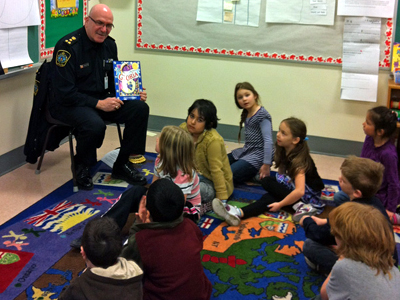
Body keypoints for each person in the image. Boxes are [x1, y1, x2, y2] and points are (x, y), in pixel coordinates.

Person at [50, 4, 149, 190]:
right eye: (100, 23)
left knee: (140, 108)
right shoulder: (67, 48)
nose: (104, 30)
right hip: (70, 104)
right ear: (87, 21)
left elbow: (114, 82)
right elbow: (65, 93)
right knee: (94, 125)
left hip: (100, 101)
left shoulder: (110, 45)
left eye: (109, 25)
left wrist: (132, 92)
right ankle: (82, 166)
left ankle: (122, 164)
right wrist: (99, 104)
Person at [70, 126, 201, 249]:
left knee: (151, 224)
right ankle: (101, 231)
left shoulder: (184, 173)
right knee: (136, 191)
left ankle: (131, 244)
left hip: (182, 210)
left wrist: (149, 211)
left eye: (160, 138)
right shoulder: (160, 160)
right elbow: (153, 187)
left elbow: (177, 206)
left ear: (168, 149)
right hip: (162, 200)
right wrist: (146, 203)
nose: (156, 139)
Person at [213, 117, 325, 226]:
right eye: (279, 130)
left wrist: (281, 204)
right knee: (268, 185)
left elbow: (300, 191)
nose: (278, 134)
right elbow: (282, 173)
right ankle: (238, 213)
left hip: (308, 196)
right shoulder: (283, 149)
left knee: (271, 196)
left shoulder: (300, 162)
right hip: (293, 187)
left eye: (283, 133)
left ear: (295, 140)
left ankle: (301, 206)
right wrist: (279, 190)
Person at [300, 156, 398, 275]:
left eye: (344, 180)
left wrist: (306, 221)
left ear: (357, 193)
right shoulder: (376, 203)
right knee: (340, 197)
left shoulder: (350, 215)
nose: (339, 178)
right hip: (389, 263)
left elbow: (318, 235)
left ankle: (334, 272)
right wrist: (326, 221)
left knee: (310, 245)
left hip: (370, 272)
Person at [121, 179, 212, 300]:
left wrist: (138, 227)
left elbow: (123, 264)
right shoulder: (191, 226)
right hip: (201, 295)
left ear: (147, 213)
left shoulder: (142, 240)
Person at [311, 202, 400, 300]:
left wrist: (341, 258)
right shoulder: (393, 269)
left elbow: (324, 295)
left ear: (346, 241)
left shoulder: (344, 266)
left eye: (335, 235)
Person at [333, 106, 400, 223]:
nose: (363, 124)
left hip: (378, 197)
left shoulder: (388, 154)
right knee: (339, 197)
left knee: (372, 219)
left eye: (368, 123)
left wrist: (390, 209)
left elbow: (394, 184)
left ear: (380, 132)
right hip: (363, 190)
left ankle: (395, 217)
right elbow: (361, 164)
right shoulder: (369, 139)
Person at [59, 217, 143, 300]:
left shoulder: (79, 286)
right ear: (120, 247)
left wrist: (83, 277)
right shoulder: (136, 273)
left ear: (83, 252)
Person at [180, 99, 233, 207]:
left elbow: (216, 170)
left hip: (210, 182)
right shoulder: (183, 130)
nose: (193, 122)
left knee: (187, 189)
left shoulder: (213, 141)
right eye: (191, 116)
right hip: (189, 175)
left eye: (199, 120)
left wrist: (222, 199)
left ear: (209, 123)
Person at [229, 82, 274, 184]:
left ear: (255, 95)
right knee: (219, 165)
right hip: (247, 151)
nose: (244, 99)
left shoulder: (262, 114)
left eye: (247, 95)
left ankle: (255, 175)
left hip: (258, 155)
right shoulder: (247, 112)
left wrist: (266, 164)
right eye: (240, 97)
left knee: (228, 175)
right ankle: (251, 174)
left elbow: (268, 141)